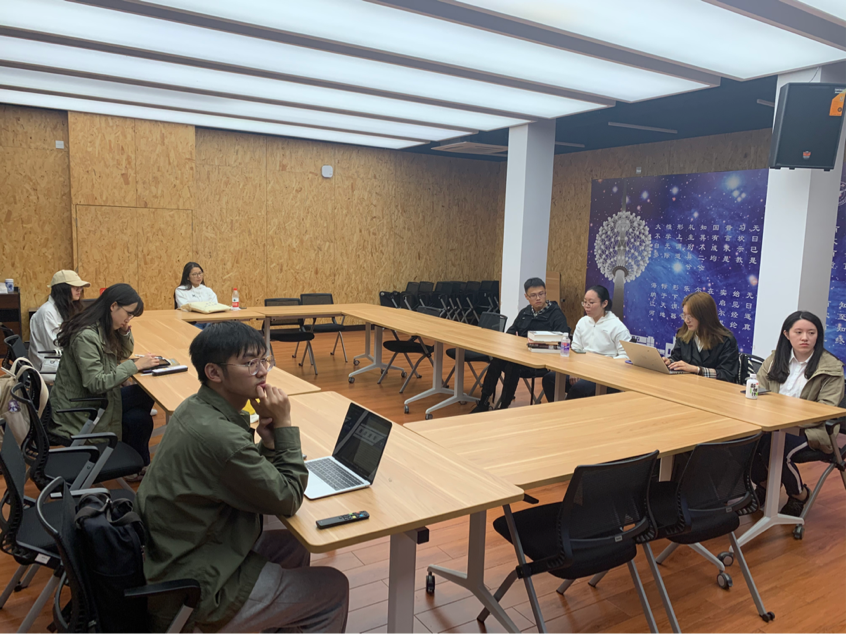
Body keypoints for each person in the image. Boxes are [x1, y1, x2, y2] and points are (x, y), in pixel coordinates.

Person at [135, 321, 348, 634]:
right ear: (214, 372)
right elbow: (288, 498)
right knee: (333, 589)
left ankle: (279, 619)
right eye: (250, 363)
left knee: (293, 542)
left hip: (181, 550)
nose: (263, 371)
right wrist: (284, 424)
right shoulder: (218, 436)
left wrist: (270, 444)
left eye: (264, 359)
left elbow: (237, 475)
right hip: (197, 587)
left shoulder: (196, 407)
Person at [49, 283, 161, 467]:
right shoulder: (86, 336)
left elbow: (123, 353)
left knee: (139, 418)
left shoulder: (102, 326)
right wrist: (134, 366)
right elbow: (95, 383)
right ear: (113, 306)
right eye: (128, 313)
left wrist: (124, 333)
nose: (128, 319)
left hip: (95, 400)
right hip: (82, 409)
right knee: (143, 399)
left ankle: (136, 464)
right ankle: (134, 462)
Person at [751, 311, 844, 517]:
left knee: (774, 449)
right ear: (787, 334)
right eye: (799, 332)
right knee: (746, 442)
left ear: (818, 335)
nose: (805, 338)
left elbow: (826, 410)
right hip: (773, 424)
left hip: (813, 429)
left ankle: (799, 494)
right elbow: (759, 390)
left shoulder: (831, 367)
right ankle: (764, 484)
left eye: (811, 333)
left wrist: (787, 417)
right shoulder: (775, 359)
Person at [471, 277, 569, 412]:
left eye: (541, 294)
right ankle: (483, 401)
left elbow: (563, 339)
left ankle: (503, 406)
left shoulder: (556, 315)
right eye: (533, 295)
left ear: (546, 293)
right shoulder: (525, 312)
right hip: (521, 356)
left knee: (513, 365)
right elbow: (511, 332)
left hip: (541, 361)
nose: (538, 298)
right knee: (497, 360)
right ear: (526, 297)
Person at [541, 285, 630, 402]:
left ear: (604, 303)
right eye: (585, 302)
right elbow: (575, 349)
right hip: (581, 370)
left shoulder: (617, 327)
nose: (587, 306)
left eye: (591, 303)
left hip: (603, 375)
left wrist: (604, 364)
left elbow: (625, 357)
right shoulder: (583, 322)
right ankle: (558, 409)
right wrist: (573, 370)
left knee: (579, 389)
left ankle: (567, 411)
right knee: (549, 379)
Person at [663, 291, 739, 382]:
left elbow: (727, 374)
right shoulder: (683, 333)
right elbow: (676, 358)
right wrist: (669, 362)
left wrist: (697, 370)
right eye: (684, 315)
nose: (686, 320)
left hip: (712, 388)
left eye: (690, 316)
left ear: (704, 316)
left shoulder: (726, 340)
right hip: (686, 384)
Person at [28, 270, 89, 372]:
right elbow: (56, 346)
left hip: (57, 360)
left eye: (80, 287)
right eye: (75, 287)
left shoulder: (64, 308)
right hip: (47, 365)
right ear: (62, 289)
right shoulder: (47, 312)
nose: (79, 290)